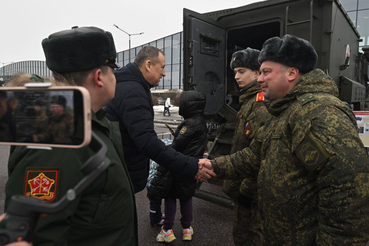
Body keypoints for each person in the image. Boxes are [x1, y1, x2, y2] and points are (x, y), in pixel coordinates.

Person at [200, 35, 369, 245]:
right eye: (259, 72)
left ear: (292, 73)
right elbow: (255, 155)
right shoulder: (284, 110)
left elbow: (346, 194)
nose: (260, 79)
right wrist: (214, 165)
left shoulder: (318, 114)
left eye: (266, 72)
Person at [5, 26, 138, 246]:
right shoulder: (57, 138)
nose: (115, 76)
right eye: (112, 70)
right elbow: (39, 236)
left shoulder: (91, 122)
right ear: (99, 77)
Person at [105, 46, 214, 225]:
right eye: (162, 67)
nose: (164, 73)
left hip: (118, 170)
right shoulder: (133, 91)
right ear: (148, 65)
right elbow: (147, 142)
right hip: (121, 175)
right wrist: (192, 165)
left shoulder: (128, 85)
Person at [222, 47, 270, 246]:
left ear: (257, 73)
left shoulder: (259, 104)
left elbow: (260, 155)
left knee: (250, 235)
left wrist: (247, 190)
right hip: (243, 186)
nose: (236, 76)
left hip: (250, 191)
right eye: (235, 72)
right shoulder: (249, 101)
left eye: (241, 71)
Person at [148, 90, 207, 243]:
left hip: (180, 164)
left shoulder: (189, 124)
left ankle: (167, 229)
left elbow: (177, 145)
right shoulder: (200, 121)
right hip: (192, 165)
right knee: (186, 196)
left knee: (171, 197)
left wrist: (166, 152)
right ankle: (187, 229)